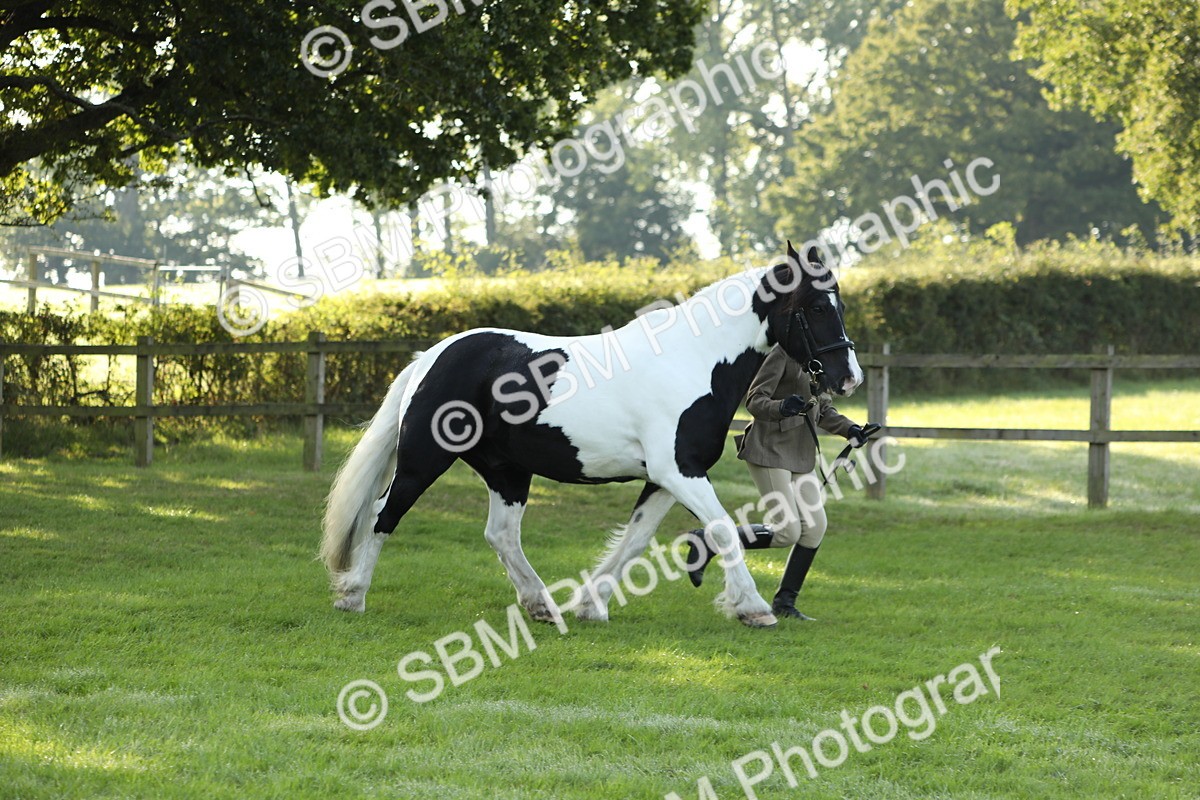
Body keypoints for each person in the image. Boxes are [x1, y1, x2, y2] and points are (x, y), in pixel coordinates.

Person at [685, 345, 873, 620]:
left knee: (815, 528)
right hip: (769, 449)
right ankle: (709, 540)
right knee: (787, 531)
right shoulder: (781, 354)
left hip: (800, 453)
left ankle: (785, 603)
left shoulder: (817, 360)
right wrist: (782, 407)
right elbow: (754, 400)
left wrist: (851, 430)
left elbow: (822, 409)